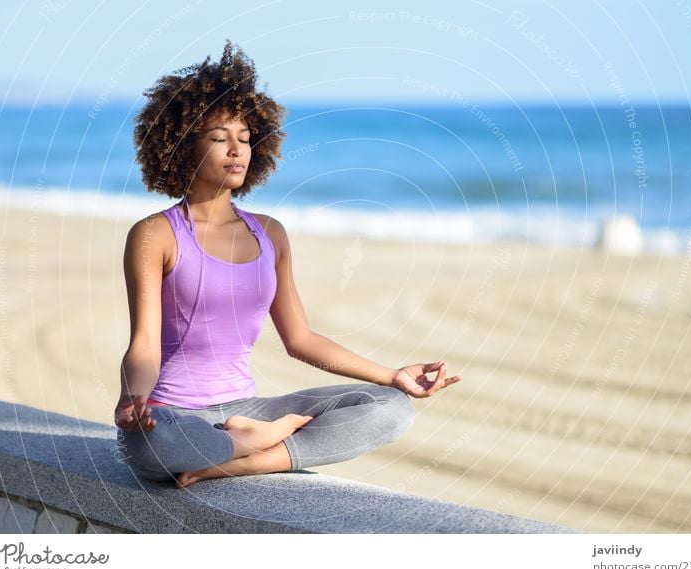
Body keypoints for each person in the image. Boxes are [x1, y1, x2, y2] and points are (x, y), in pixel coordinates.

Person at [114, 40, 462, 489]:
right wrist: (132, 401)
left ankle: (245, 457)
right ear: (182, 146)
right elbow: (144, 343)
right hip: (177, 416)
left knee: (391, 409)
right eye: (220, 138)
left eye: (245, 139)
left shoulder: (270, 233)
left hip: (246, 410)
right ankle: (254, 445)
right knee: (150, 449)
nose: (237, 150)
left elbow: (300, 339)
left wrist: (393, 375)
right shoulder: (155, 234)